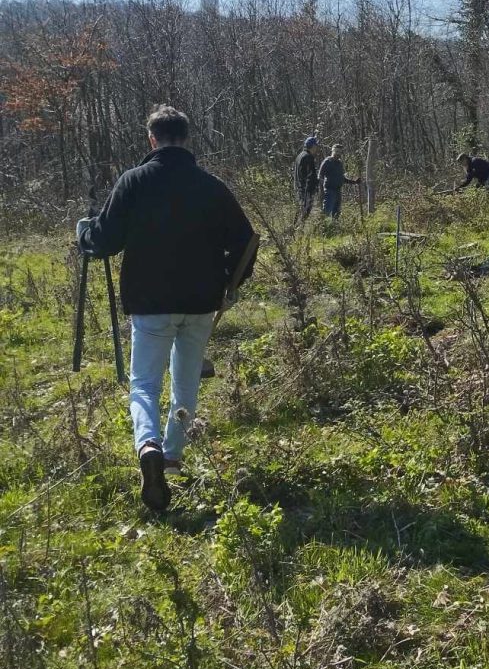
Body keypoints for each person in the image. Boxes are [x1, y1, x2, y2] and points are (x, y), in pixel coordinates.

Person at [76, 105, 257, 512]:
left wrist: (85, 238)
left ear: (152, 139)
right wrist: (229, 283)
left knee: (144, 383)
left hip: (150, 301)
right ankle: (172, 455)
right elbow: (246, 240)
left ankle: (148, 445)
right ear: (186, 138)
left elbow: (105, 241)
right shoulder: (210, 186)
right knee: (186, 379)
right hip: (199, 302)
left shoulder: (134, 182)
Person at [318, 145, 356, 220]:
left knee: (336, 213)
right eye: (336, 151)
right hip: (329, 191)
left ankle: (335, 228)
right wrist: (321, 190)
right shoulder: (327, 161)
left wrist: (353, 182)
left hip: (338, 191)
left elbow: (342, 178)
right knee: (326, 211)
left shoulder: (339, 163)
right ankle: (323, 228)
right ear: (332, 151)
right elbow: (320, 176)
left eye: (340, 152)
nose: (338, 154)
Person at [294, 135, 320, 218]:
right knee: (305, 214)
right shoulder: (308, 157)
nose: (317, 148)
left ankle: (295, 229)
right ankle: (300, 230)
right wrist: (315, 185)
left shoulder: (300, 155)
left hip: (299, 188)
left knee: (299, 211)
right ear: (312, 146)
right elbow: (310, 176)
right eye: (316, 146)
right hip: (306, 191)